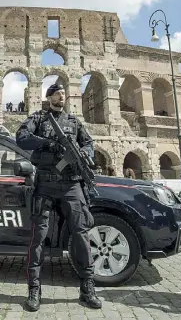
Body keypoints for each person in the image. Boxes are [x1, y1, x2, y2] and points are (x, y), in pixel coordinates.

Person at [16, 83, 102, 312]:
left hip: (72, 185)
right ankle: (34, 289)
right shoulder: (39, 119)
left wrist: (84, 153)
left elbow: (89, 143)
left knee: (81, 235)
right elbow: (22, 137)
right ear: (49, 97)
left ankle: (87, 288)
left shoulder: (74, 123)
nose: (61, 97)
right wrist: (49, 143)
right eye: (57, 94)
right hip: (45, 184)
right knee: (38, 238)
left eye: (64, 94)